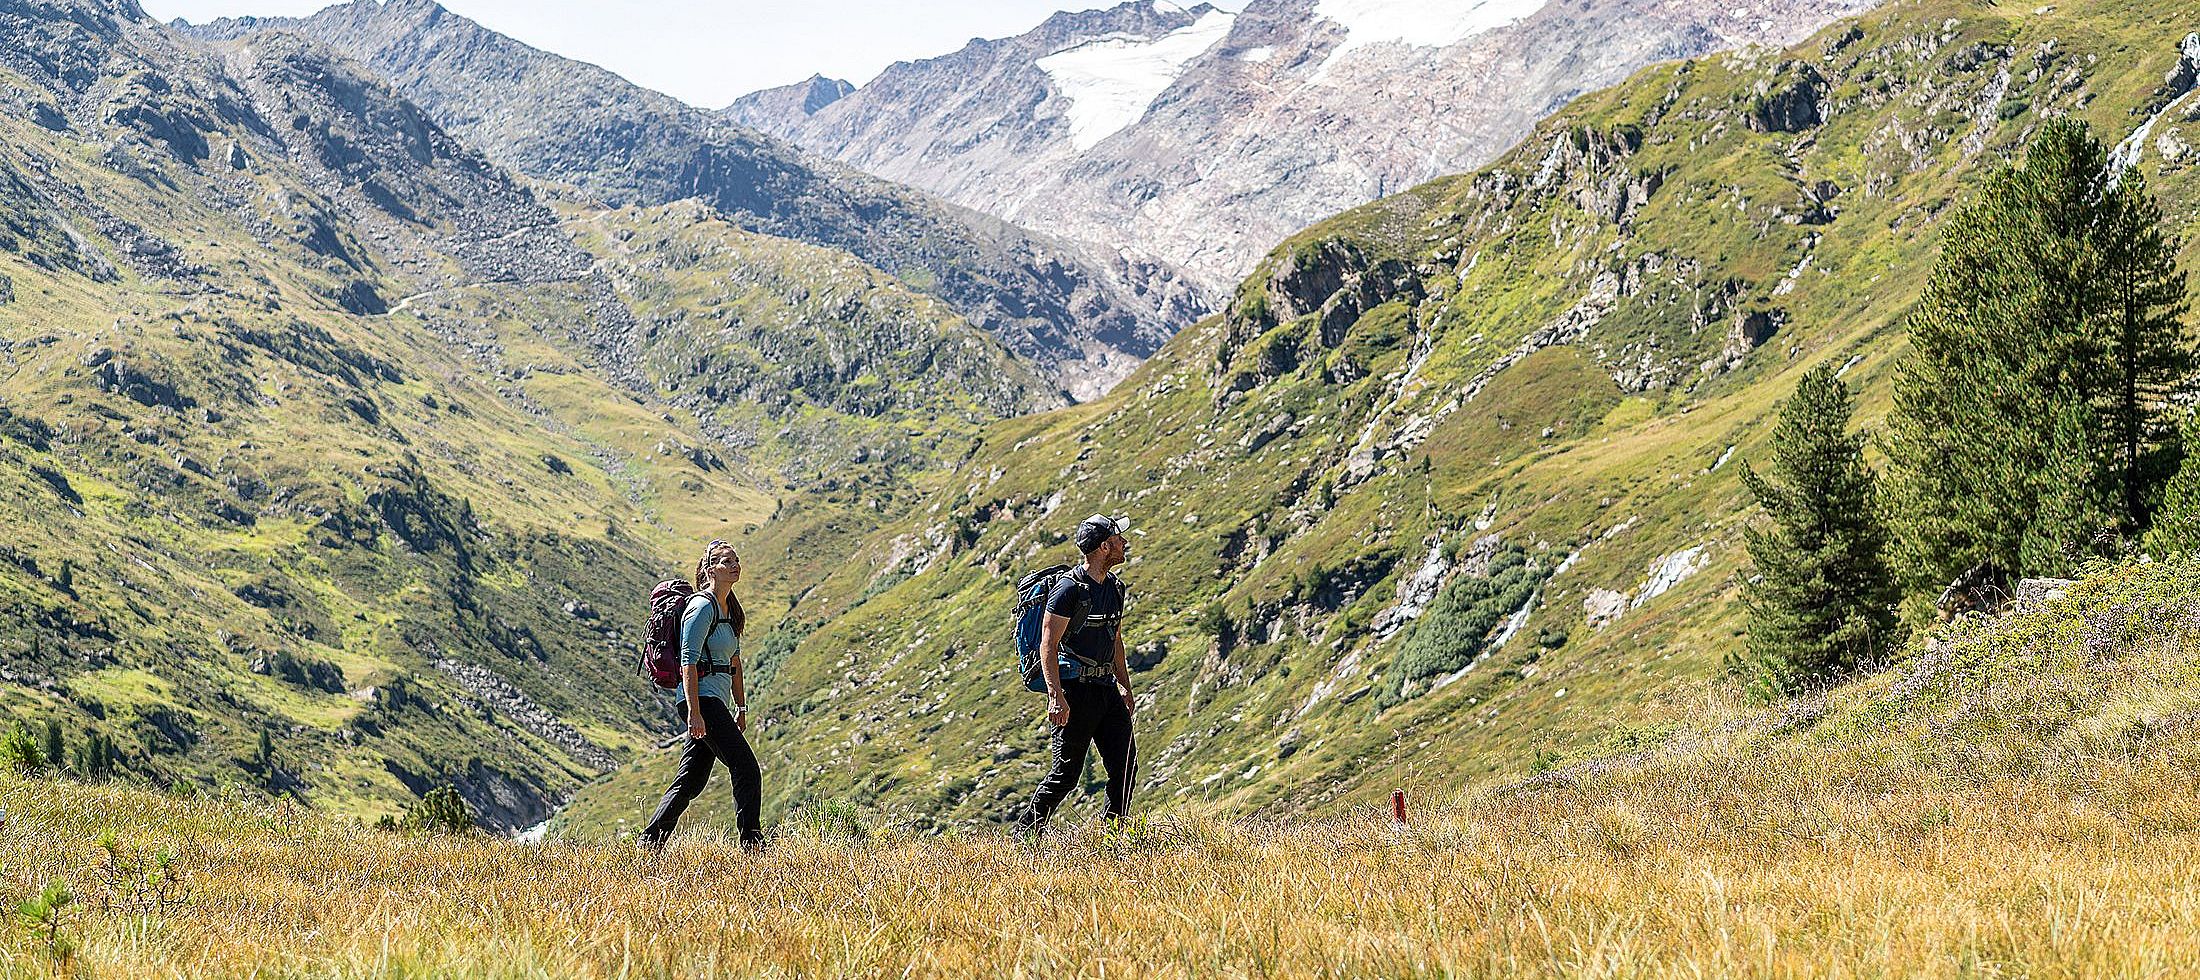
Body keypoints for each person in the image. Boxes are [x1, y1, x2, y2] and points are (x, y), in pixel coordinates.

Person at [1015, 514, 1137, 834]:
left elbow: (1116, 639)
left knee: (1125, 769)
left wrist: (1124, 686)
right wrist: (1056, 697)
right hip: (1075, 691)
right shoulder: (1068, 590)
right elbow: (1048, 644)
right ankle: (1025, 834)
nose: (1125, 543)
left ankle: (1111, 836)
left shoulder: (1116, 588)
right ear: (1104, 547)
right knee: (1066, 776)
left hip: (1106, 688)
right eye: (1119, 539)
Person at [640, 539, 764, 851]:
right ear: (710, 570)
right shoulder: (700, 607)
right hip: (701, 701)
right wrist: (695, 712)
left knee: (691, 781)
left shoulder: (729, 610)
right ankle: (752, 844)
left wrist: (742, 707)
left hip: (715, 702)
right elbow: (688, 661)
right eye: (725, 562)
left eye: (735, 560)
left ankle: (649, 842)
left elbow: (734, 663)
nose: (734, 565)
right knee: (746, 768)